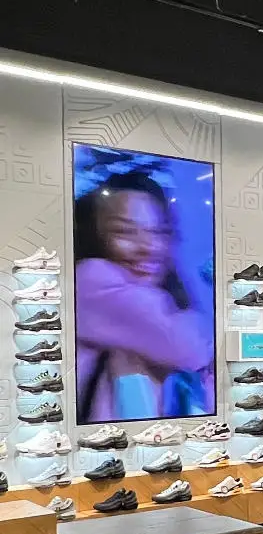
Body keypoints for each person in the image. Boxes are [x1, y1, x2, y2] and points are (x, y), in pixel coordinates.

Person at [74, 170, 215, 423]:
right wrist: (194, 321)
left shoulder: (159, 295)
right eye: (125, 232)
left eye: (157, 232)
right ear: (95, 237)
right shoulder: (90, 279)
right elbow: (188, 346)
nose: (148, 246)